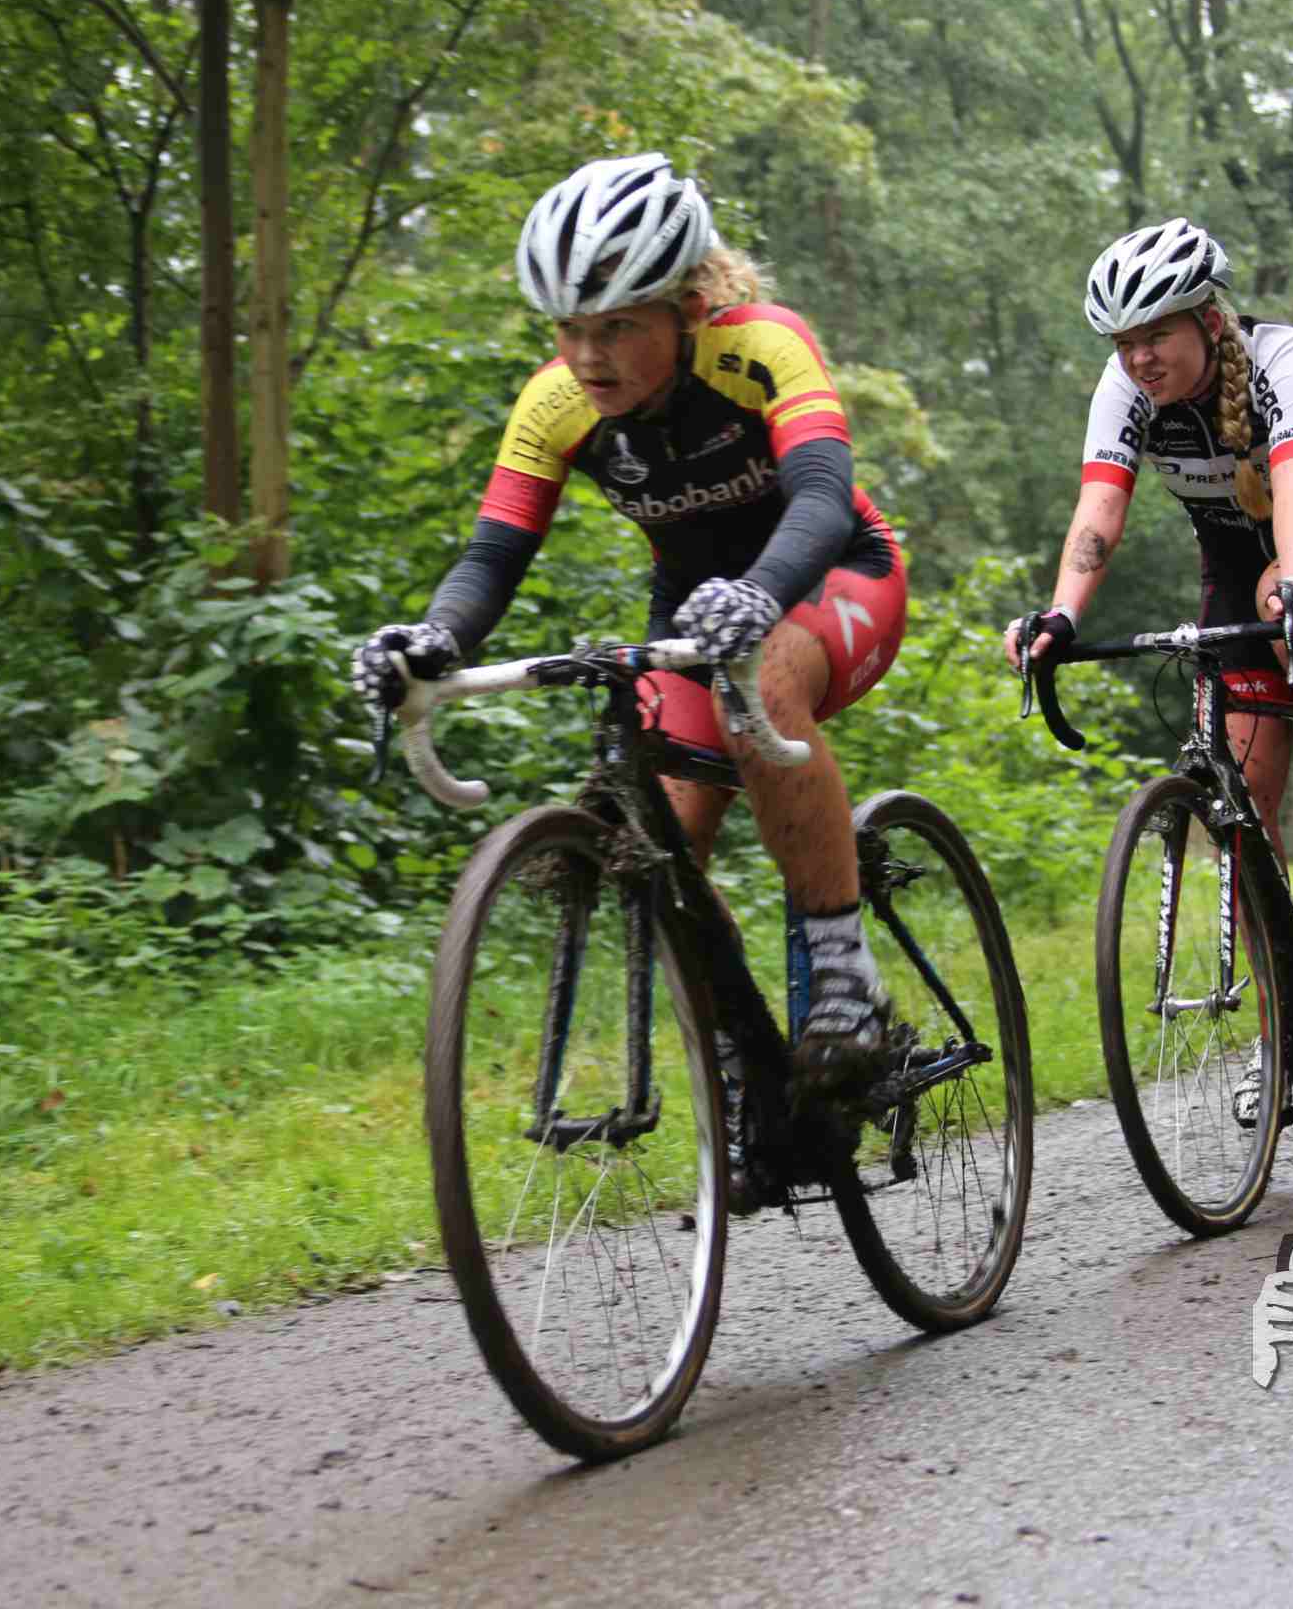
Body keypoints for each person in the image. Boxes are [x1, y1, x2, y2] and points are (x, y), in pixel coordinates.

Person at [349, 153, 909, 1118]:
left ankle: (843, 978)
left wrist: (760, 593)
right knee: (651, 845)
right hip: (690, 613)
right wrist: (434, 639)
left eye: (615, 327)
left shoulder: (763, 346)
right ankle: (745, 1060)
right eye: (568, 328)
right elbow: (493, 557)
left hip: (831, 576)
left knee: (766, 686)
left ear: (687, 309)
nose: (587, 356)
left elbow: (821, 495)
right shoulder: (555, 404)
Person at [1006, 218, 1293, 930]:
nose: (1139, 359)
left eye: (1155, 336)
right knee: (1244, 817)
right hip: (1235, 565)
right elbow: (1100, 508)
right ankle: (1287, 994)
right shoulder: (1125, 389)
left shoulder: (1283, 359)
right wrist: (1062, 615)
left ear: (1206, 320)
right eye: (1124, 343)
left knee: (1275, 591)